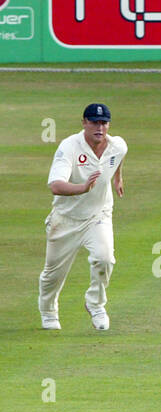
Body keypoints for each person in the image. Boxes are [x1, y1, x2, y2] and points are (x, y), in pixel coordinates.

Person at [38, 103, 127, 331]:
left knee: (104, 258)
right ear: (84, 123)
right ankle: (48, 311)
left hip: (98, 215)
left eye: (103, 122)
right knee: (53, 274)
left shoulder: (118, 145)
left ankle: (95, 304)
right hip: (66, 219)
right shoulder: (69, 147)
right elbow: (55, 185)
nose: (100, 127)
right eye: (94, 122)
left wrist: (118, 178)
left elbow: (117, 158)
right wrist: (83, 188)